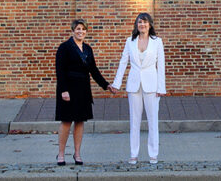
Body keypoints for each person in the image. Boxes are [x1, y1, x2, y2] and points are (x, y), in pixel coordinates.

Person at [55, 18, 117, 165]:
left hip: (83, 89)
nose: (80, 32)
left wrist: (106, 85)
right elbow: (60, 71)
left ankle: (77, 154)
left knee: (80, 121)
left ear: (86, 32)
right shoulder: (64, 47)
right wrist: (63, 90)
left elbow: (93, 70)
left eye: (83, 29)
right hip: (68, 89)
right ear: (73, 30)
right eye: (78, 29)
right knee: (66, 121)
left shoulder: (88, 49)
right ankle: (61, 154)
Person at [110, 12, 166, 164]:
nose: (142, 25)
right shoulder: (130, 41)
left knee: (153, 121)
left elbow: (161, 65)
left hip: (152, 85)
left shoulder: (157, 42)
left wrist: (162, 87)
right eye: (140, 22)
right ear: (136, 25)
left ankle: (153, 154)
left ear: (150, 25)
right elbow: (123, 62)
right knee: (134, 121)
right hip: (134, 85)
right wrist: (116, 84)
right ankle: (133, 154)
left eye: (145, 22)